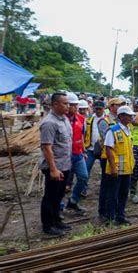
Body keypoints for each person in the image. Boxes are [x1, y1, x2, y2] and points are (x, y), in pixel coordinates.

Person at [39, 92, 72, 236]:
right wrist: (53, 169)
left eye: (68, 103)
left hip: (65, 165)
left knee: (59, 195)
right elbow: (46, 147)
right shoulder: (49, 123)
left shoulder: (64, 119)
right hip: (55, 166)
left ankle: (56, 220)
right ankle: (48, 225)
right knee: (50, 196)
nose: (68, 106)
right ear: (55, 104)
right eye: (65, 103)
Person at [103, 106, 135, 225]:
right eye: (129, 115)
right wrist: (113, 167)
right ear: (121, 116)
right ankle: (110, 217)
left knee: (123, 193)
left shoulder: (128, 129)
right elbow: (108, 149)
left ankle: (120, 215)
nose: (131, 117)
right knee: (113, 194)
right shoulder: (113, 130)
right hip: (116, 169)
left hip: (127, 169)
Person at [97, 97, 125, 220]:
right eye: (118, 105)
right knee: (106, 185)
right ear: (112, 107)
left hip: (119, 158)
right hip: (107, 157)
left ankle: (113, 210)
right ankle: (102, 211)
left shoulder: (121, 121)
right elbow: (107, 140)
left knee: (116, 187)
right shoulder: (105, 121)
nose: (120, 107)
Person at [65, 92, 88, 214]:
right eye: (74, 105)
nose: (76, 108)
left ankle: (73, 201)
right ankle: (59, 206)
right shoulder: (61, 119)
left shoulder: (81, 119)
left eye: (76, 105)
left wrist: (83, 150)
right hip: (64, 155)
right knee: (62, 183)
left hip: (78, 153)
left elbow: (82, 135)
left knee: (83, 177)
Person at [82, 100, 106, 197]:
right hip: (90, 149)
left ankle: (104, 189)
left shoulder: (107, 120)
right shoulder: (89, 119)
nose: (98, 111)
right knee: (86, 169)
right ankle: (83, 188)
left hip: (103, 149)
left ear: (104, 109)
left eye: (100, 109)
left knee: (105, 171)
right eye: (96, 109)